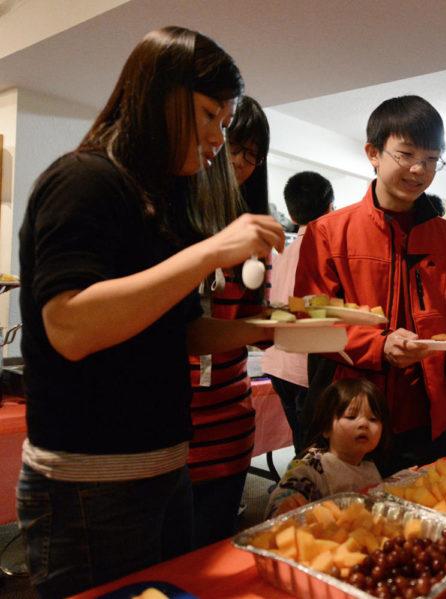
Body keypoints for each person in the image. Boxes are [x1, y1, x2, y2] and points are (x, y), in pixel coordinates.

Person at [16, 27, 285, 597]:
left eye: (224, 122)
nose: (217, 137)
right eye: (209, 115)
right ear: (160, 94)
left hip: (164, 468)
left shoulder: (158, 201)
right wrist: (210, 251)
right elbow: (68, 326)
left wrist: (276, 329)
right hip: (90, 483)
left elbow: (181, 332)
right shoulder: (85, 179)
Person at [295, 95, 446, 475]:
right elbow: (311, 324)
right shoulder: (329, 232)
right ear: (373, 153)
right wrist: (379, 345)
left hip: (427, 414)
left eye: (432, 159)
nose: (420, 169)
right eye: (407, 154)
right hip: (352, 413)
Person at [186, 96, 272, 548]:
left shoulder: (254, 234)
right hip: (168, 428)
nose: (240, 162)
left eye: (253, 154)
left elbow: (256, 320)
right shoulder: (175, 221)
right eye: (235, 146)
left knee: (214, 556)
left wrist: (285, 324)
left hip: (231, 423)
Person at [263, 171, 334, 457]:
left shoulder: (280, 258)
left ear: (291, 214)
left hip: (277, 362)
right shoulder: (326, 253)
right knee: (314, 448)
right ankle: (303, 496)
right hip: (305, 367)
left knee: (301, 440)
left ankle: (296, 492)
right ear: (331, 207)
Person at [266, 378, 387, 518]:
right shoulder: (313, 467)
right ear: (326, 428)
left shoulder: (370, 466)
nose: (364, 424)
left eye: (373, 419)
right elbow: (285, 493)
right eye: (351, 416)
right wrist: (287, 504)